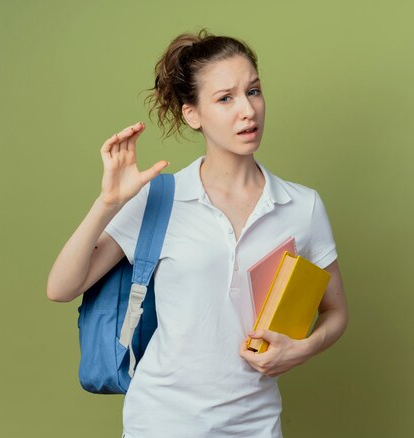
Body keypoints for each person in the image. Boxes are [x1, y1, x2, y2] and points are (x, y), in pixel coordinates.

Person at [47, 29, 348, 438]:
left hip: (257, 425)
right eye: (225, 98)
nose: (248, 110)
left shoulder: (301, 205)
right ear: (193, 114)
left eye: (254, 91)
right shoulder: (159, 198)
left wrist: (301, 350)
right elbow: (62, 287)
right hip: (161, 422)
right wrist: (108, 203)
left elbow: (335, 312)